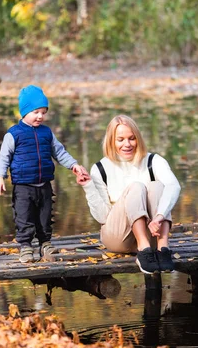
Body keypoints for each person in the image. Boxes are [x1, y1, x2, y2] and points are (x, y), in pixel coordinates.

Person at [0, 85, 89, 263]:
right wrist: (0, 176)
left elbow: (59, 152)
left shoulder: (46, 133)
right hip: (23, 186)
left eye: (43, 112)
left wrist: (74, 165)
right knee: (24, 217)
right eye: (36, 112)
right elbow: (3, 157)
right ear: (24, 112)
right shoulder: (14, 134)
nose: (40, 116)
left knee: (45, 217)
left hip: (44, 184)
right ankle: (25, 247)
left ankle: (45, 243)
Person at [77, 115, 181, 274]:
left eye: (132, 138)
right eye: (120, 139)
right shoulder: (100, 168)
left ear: (138, 138)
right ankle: (144, 250)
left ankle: (162, 248)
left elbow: (174, 186)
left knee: (159, 186)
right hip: (118, 237)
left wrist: (159, 216)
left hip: (152, 232)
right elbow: (102, 217)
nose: (127, 144)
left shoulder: (154, 161)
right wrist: (88, 186)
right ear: (111, 140)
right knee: (137, 187)